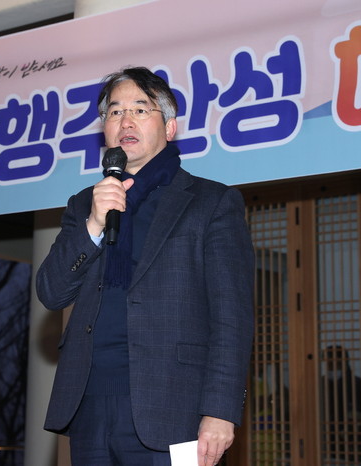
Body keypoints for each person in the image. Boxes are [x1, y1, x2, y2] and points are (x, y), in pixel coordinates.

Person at [36, 66, 255, 466]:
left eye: (140, 109)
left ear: (169, 127)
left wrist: (220, 411)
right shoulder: (85, 204)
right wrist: (94, 224)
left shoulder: (211, 202)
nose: (126, 121)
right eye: (115, 112)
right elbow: (51, 292)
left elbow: (232, 318)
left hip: (176, 408)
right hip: (88, 407)